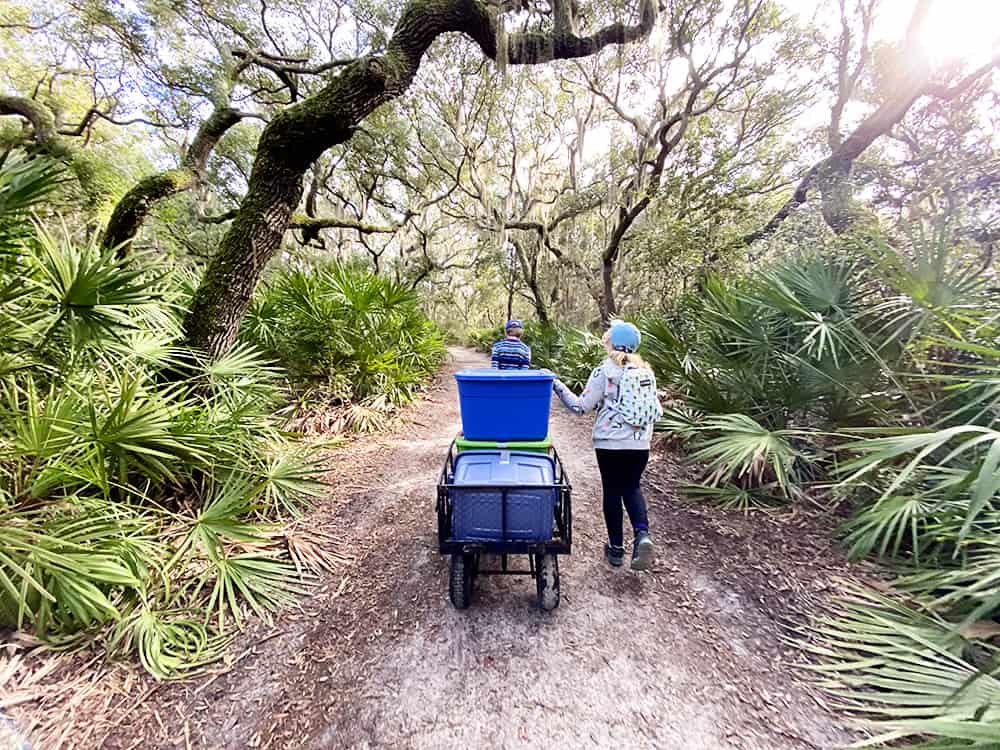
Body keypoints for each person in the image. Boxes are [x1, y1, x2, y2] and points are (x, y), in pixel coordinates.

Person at [550, 321, 660, 570]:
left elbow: (581, 407)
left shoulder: (604, 371)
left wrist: (557, 385)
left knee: (612, 490)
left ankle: (616, 550)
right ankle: (642, 534)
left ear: (612, 341)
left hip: (610, 444)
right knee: (632, 487)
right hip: (640, 443)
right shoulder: (645, 372)